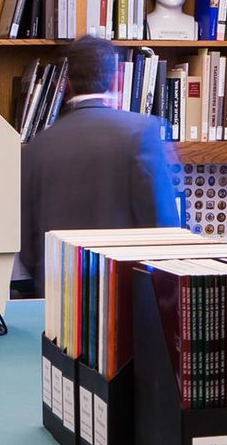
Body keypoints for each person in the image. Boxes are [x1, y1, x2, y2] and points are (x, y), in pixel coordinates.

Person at [19, 37, 182, 294]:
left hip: (59, 304)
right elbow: (166, 228)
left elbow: (27, 249)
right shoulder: (142, 133)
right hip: (126, 301)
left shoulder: (36, 148)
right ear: (116, 78)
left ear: (67, 84)